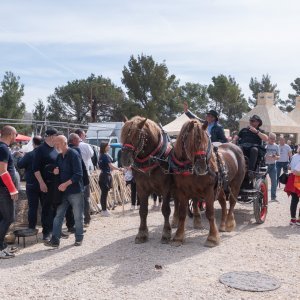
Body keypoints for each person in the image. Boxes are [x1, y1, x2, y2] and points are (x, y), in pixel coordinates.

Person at [44, 135, 84, 247]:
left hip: (75, 191)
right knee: (58, 215)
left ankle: (79, 238)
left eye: (58, 143)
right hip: (63, 192)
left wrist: (66, 184)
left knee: (78, 216)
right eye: (55, 143)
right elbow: (57, 169)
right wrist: (54, 170)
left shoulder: (73, 154)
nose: (55, 145)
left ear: (64, 143)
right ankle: (55, 240)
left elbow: (78, 174)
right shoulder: (59, 156)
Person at [33, 128, 59, 241]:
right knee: (46, 208)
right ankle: (46, 232)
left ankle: (54, 230)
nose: (57, 138)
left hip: (55, 183)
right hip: (46, 184)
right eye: (56, 136)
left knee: (55, 207)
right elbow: (36, 169)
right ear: (52, 136)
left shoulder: (55, 149)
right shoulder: (40, 150)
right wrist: (41, 183)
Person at [17, 136, 43, 229]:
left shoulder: (29, 155)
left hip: (31, 183)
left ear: (33, 144)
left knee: (32, 207)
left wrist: (21, 157)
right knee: (45, 207)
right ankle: (47, 228)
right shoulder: (45, 154)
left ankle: (32, 227)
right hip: (44, 183)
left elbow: (20, 165)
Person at [0, 126, 18, 259]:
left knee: (2, 218)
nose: (16, 137)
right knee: (8, 218)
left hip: (3, 189)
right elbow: (3, 171)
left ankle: (2, 246)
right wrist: (12, 189)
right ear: (11, 134)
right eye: (15, 134)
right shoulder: (3, 148)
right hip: (4, 190)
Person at [75, 129, 93, 227]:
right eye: (85, 135)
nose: (85, 136)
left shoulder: (70, 147)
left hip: (73, 176)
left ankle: (76, 220)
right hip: (85, 174)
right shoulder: (86, 146)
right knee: (86, 198)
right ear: (81, 135)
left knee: (74, 198)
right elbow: (91, 155)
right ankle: (86, 219)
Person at [98, 142, 121, 217]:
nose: (109, 146)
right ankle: (104, 210)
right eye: (108, 145)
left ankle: (104, 209)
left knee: (104, 193)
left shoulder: (101, 155)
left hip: (104, 175)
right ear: (104, 147)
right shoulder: (104, 156)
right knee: (104, 194)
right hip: (105, 176)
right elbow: (111, 166)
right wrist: (120, 169)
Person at [284, 145, 300, 226]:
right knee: (295, 200)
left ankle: (293, 219)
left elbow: (290, 167)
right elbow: (297, 171)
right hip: (298, 179)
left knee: (294, 200)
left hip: (292, 179)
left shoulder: (294, 156)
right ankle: (298, 220)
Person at [265, 133, 280, 201]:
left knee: (274, 182)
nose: (273, 140)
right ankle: (261, 197)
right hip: (265, 165)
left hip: (273, 165)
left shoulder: (276, 146)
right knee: (262, 181)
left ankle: (273, 197)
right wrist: (266, 156)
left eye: (274, 139)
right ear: (268, 138)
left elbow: (278, 157)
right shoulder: (265, 145)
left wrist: (275, 157)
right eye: (271, 138)